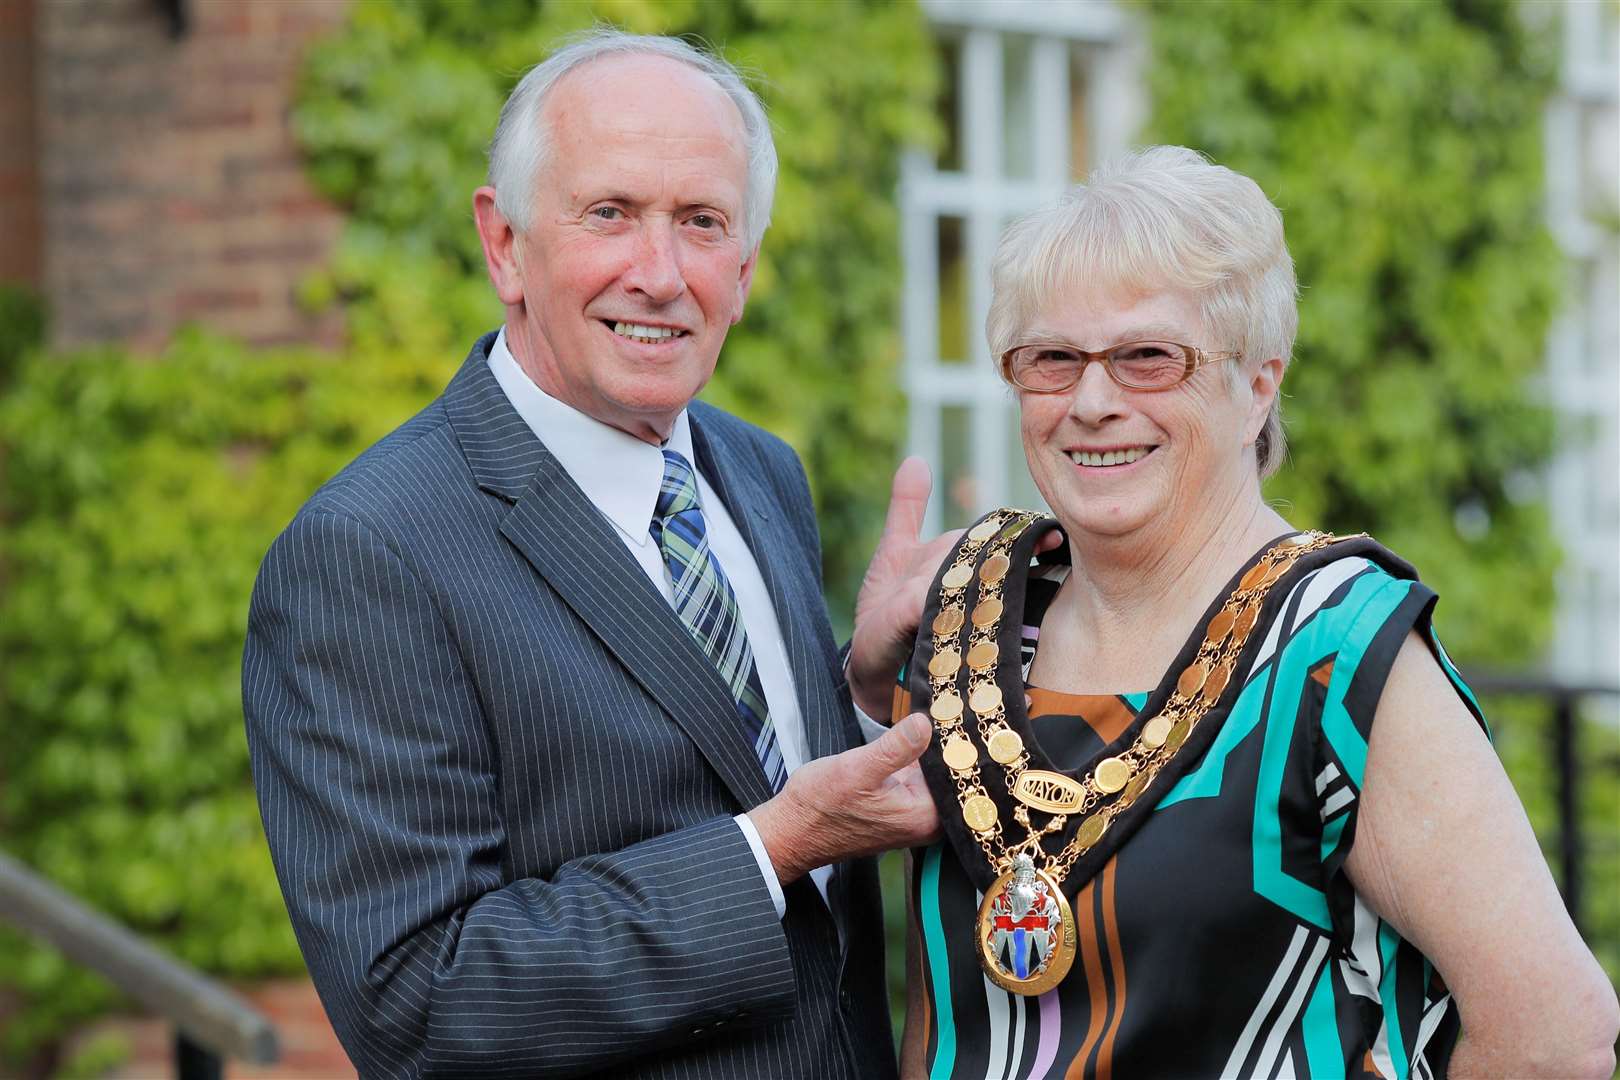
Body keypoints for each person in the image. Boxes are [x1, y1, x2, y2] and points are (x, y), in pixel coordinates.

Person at [243, 30, 946, 1080]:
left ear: (744, 270)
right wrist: (775, 847)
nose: (658, 274)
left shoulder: (761, 472)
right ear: (506, 244)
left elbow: (728, 761)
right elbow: (422, 1004)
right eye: (609, 213)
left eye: (701, 223)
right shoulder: (370, 551)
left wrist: (857, 688)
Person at [894, 146, 1619, 1078]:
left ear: (1258, 387)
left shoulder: (1336, 649)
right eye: (1053, 360)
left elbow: (1555, 1032)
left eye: (1151, 357)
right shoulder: (971, 622)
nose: (1094, 401)